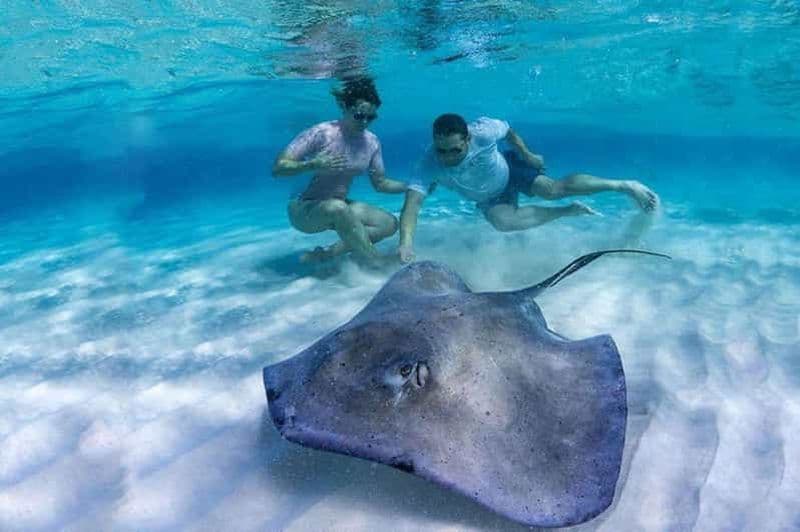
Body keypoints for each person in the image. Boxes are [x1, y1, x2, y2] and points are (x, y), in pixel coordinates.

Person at [397, 114, 660, 262]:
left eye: (455, 150)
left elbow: (508, 131)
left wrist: (528, 154)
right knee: (503, 222)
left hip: (509, 169)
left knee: (552, 189)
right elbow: (412, 205)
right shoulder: (428, 163)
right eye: (442, 151)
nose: (448, 157)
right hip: (489, 196)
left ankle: (623, 185)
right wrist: (406, 243)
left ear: (468, 137)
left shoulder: (484, 131)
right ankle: (567, 212)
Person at [272, 77, 407, 264]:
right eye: (359, 116)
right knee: (338, 208)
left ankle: (325, 254)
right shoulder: (322, 133)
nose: (365, 122)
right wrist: (311, 165)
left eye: (371, 117)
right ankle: (377, 262)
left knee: (388, 224)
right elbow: (278, 168)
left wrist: (410, 187)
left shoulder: (372, 142)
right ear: (345, 107)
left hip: (337, 205)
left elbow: (381, 183)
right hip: (302, 209)